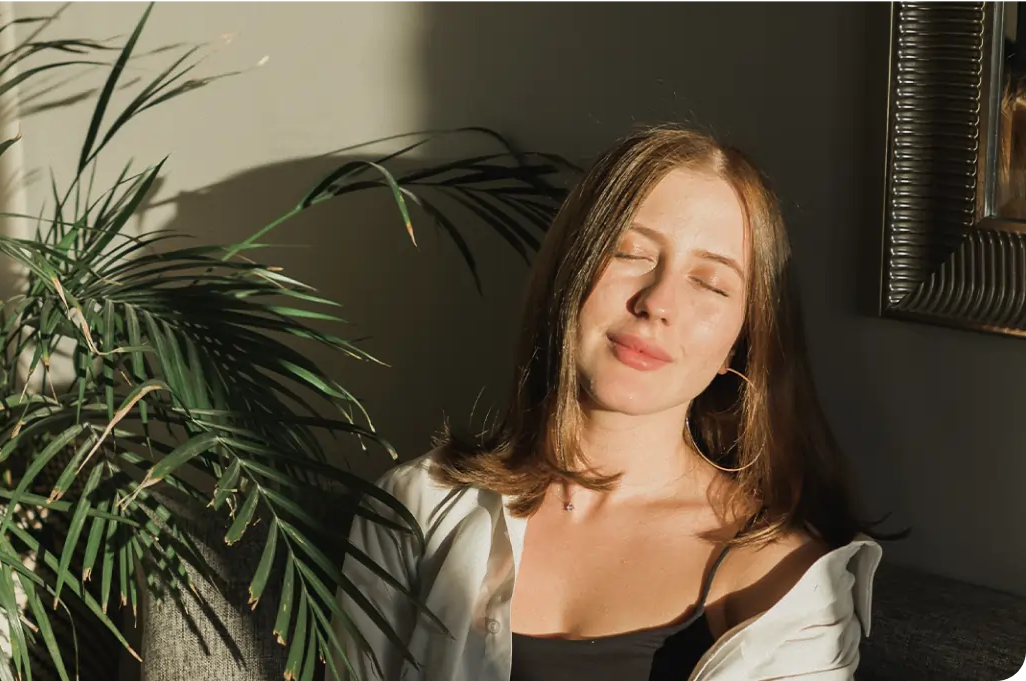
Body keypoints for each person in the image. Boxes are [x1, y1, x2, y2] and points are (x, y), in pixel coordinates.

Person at [327, 124, 900, 681]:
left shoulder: (783, 579)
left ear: (742, 342)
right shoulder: (418, 505)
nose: (657, 302)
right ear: (568, 272)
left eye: (710, 283)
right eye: (630, 253)